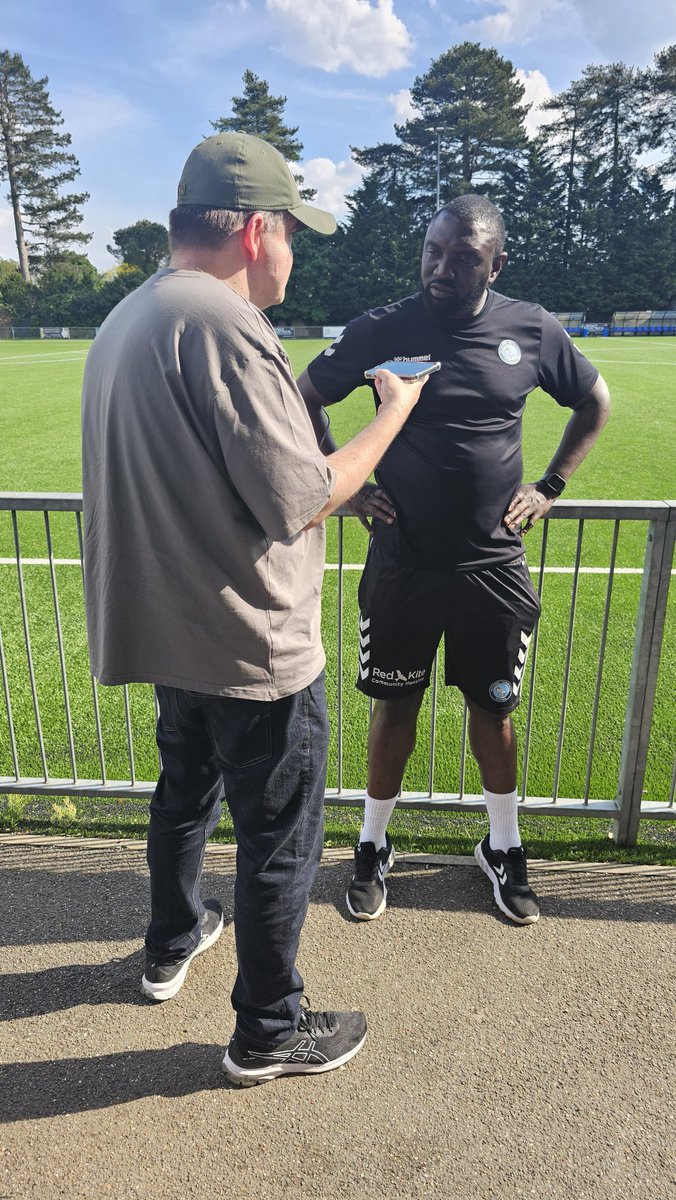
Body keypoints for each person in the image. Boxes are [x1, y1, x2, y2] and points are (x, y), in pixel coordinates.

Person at [81, 132, 426, 1087]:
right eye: (292, 237)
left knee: (182, 799)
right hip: (250, 643)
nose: (294, 256)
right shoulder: (224, 324)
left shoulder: (130, 316)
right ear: (258, 229)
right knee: (279, 836)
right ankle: (270, 1028)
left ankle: (171, 941)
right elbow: (298, 496)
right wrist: (393, 412)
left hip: (166, 630)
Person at [297, 194, 610, 927]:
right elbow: (303, 394)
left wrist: (551, 487)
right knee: (392, 706)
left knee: (494, 709)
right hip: (404, 563)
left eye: (463, 257)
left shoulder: (530, 327)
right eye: (434, 251)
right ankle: (373, 845)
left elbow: (593, 402)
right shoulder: (384, 326)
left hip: (494, 567)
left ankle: (504, 848)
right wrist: (346, 488)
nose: (442, 266)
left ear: (495, 263)